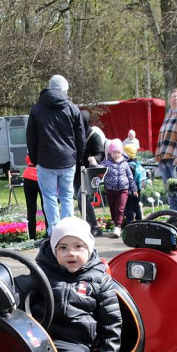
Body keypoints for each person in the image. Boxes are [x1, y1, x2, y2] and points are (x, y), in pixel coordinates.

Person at [27, 217, 122, 352]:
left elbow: (111, 323)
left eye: (78, 246)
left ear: (89, 249)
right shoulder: (41, 274)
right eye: (63, 248)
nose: (71, 253)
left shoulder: (99, 280)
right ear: (54, 250)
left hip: (75, 342)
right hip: (39, 337)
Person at [26, 74, 85, 237]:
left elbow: (31, 137)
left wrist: (35, 159)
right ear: (65, 89)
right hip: (68, 159)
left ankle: (53, 231)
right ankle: (69, 229)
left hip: (45, 160)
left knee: (49, 196)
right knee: (66, 195)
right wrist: (77, 157)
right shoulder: (72, 108)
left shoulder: (37, 109)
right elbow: (81, 136)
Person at [76, 112, 105, 236]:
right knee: (80, 199)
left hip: (90, 172)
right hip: (77, 172)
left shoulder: (94, 136)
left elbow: (100, 153)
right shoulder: (76, 135)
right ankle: (87, 226)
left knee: (81, 197)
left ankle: (95, 226)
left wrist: (95, 158)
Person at [102, 139, 136, 237]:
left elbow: (130, 177)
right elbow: (99, 169)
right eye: (114, 152)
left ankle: (118, 226)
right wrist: (93, 163)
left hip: (123, 189)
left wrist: (133, 188)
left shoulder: (125, 163)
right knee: (113, 208)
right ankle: (115, 223)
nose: (116, 154)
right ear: (110, 152)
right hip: (110, 189)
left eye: (118, 152)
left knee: (120, 208)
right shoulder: (107, 162)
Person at [122, 142, 145, 227]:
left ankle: (130, 224)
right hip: (138, 189)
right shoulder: (137, 163)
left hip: (130, 190)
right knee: (137, 206)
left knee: (129, 208)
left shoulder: (128, 166)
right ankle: (140, 222)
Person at [22, 154, 43, 240]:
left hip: (28, 175)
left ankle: (32, 236)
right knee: (46, 206)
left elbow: (27, 158)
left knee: (30, 208)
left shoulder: (32, 148)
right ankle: (49, 233)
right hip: (41, 175)